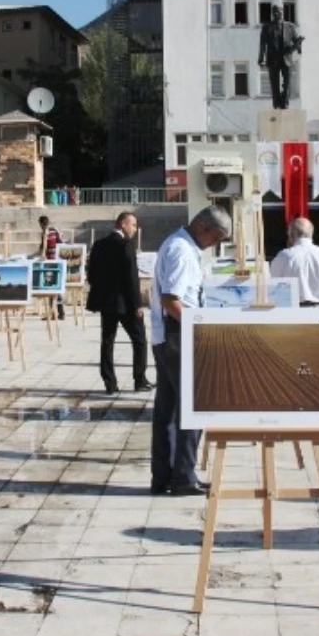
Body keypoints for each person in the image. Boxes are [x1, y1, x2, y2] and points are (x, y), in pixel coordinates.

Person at [151, 205, 231, 496]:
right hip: (178, 336)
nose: (216, 245)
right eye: (217, 238)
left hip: (170, 336)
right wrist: (197, 329)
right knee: (192, 408)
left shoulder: (178, 244)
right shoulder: (182, 251)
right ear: (205, 229)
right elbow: (172, 301)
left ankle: (165, 476)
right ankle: (183, 477)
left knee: (169, 410)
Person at [87, 212, 152, 394]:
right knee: (139, 340)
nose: (135, 229)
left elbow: (91, 275)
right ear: (123, 224)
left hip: (107, 303)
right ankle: (139, 379)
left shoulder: (99, 245)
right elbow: (132, 278)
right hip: (126, 303)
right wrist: (138, 304)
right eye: (133, 225)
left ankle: (110, 383)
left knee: (107, 341)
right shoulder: (125, 245)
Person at [271, 217, 319, 307]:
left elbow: (274, 286)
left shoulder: (284, 256)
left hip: (292, 310)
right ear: (311, 234)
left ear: (292, 234)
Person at [258, 4, 303, 110]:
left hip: (286, 58)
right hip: (272, 58)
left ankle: (285, 102)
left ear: (283, 12)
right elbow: (263, 44)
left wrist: (298, 45)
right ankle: (276, 103)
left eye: (280, 11)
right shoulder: (267, 27)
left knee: (287, 82)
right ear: (273, 14)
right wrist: (261, 58)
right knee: (274, 83)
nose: (278, 14)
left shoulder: (290, 26)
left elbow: (296, 41)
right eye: (275, 12)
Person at [39, 215, 65, 320]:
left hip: (49, 262)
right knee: (56, 288)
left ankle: (53, 312)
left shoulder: (46, 232)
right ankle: (60, 312)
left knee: (50, 288)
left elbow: (44, 247)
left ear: (41, 223)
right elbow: (62, 242)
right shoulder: (55, 231)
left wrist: (42, 256)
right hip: (57, 261)